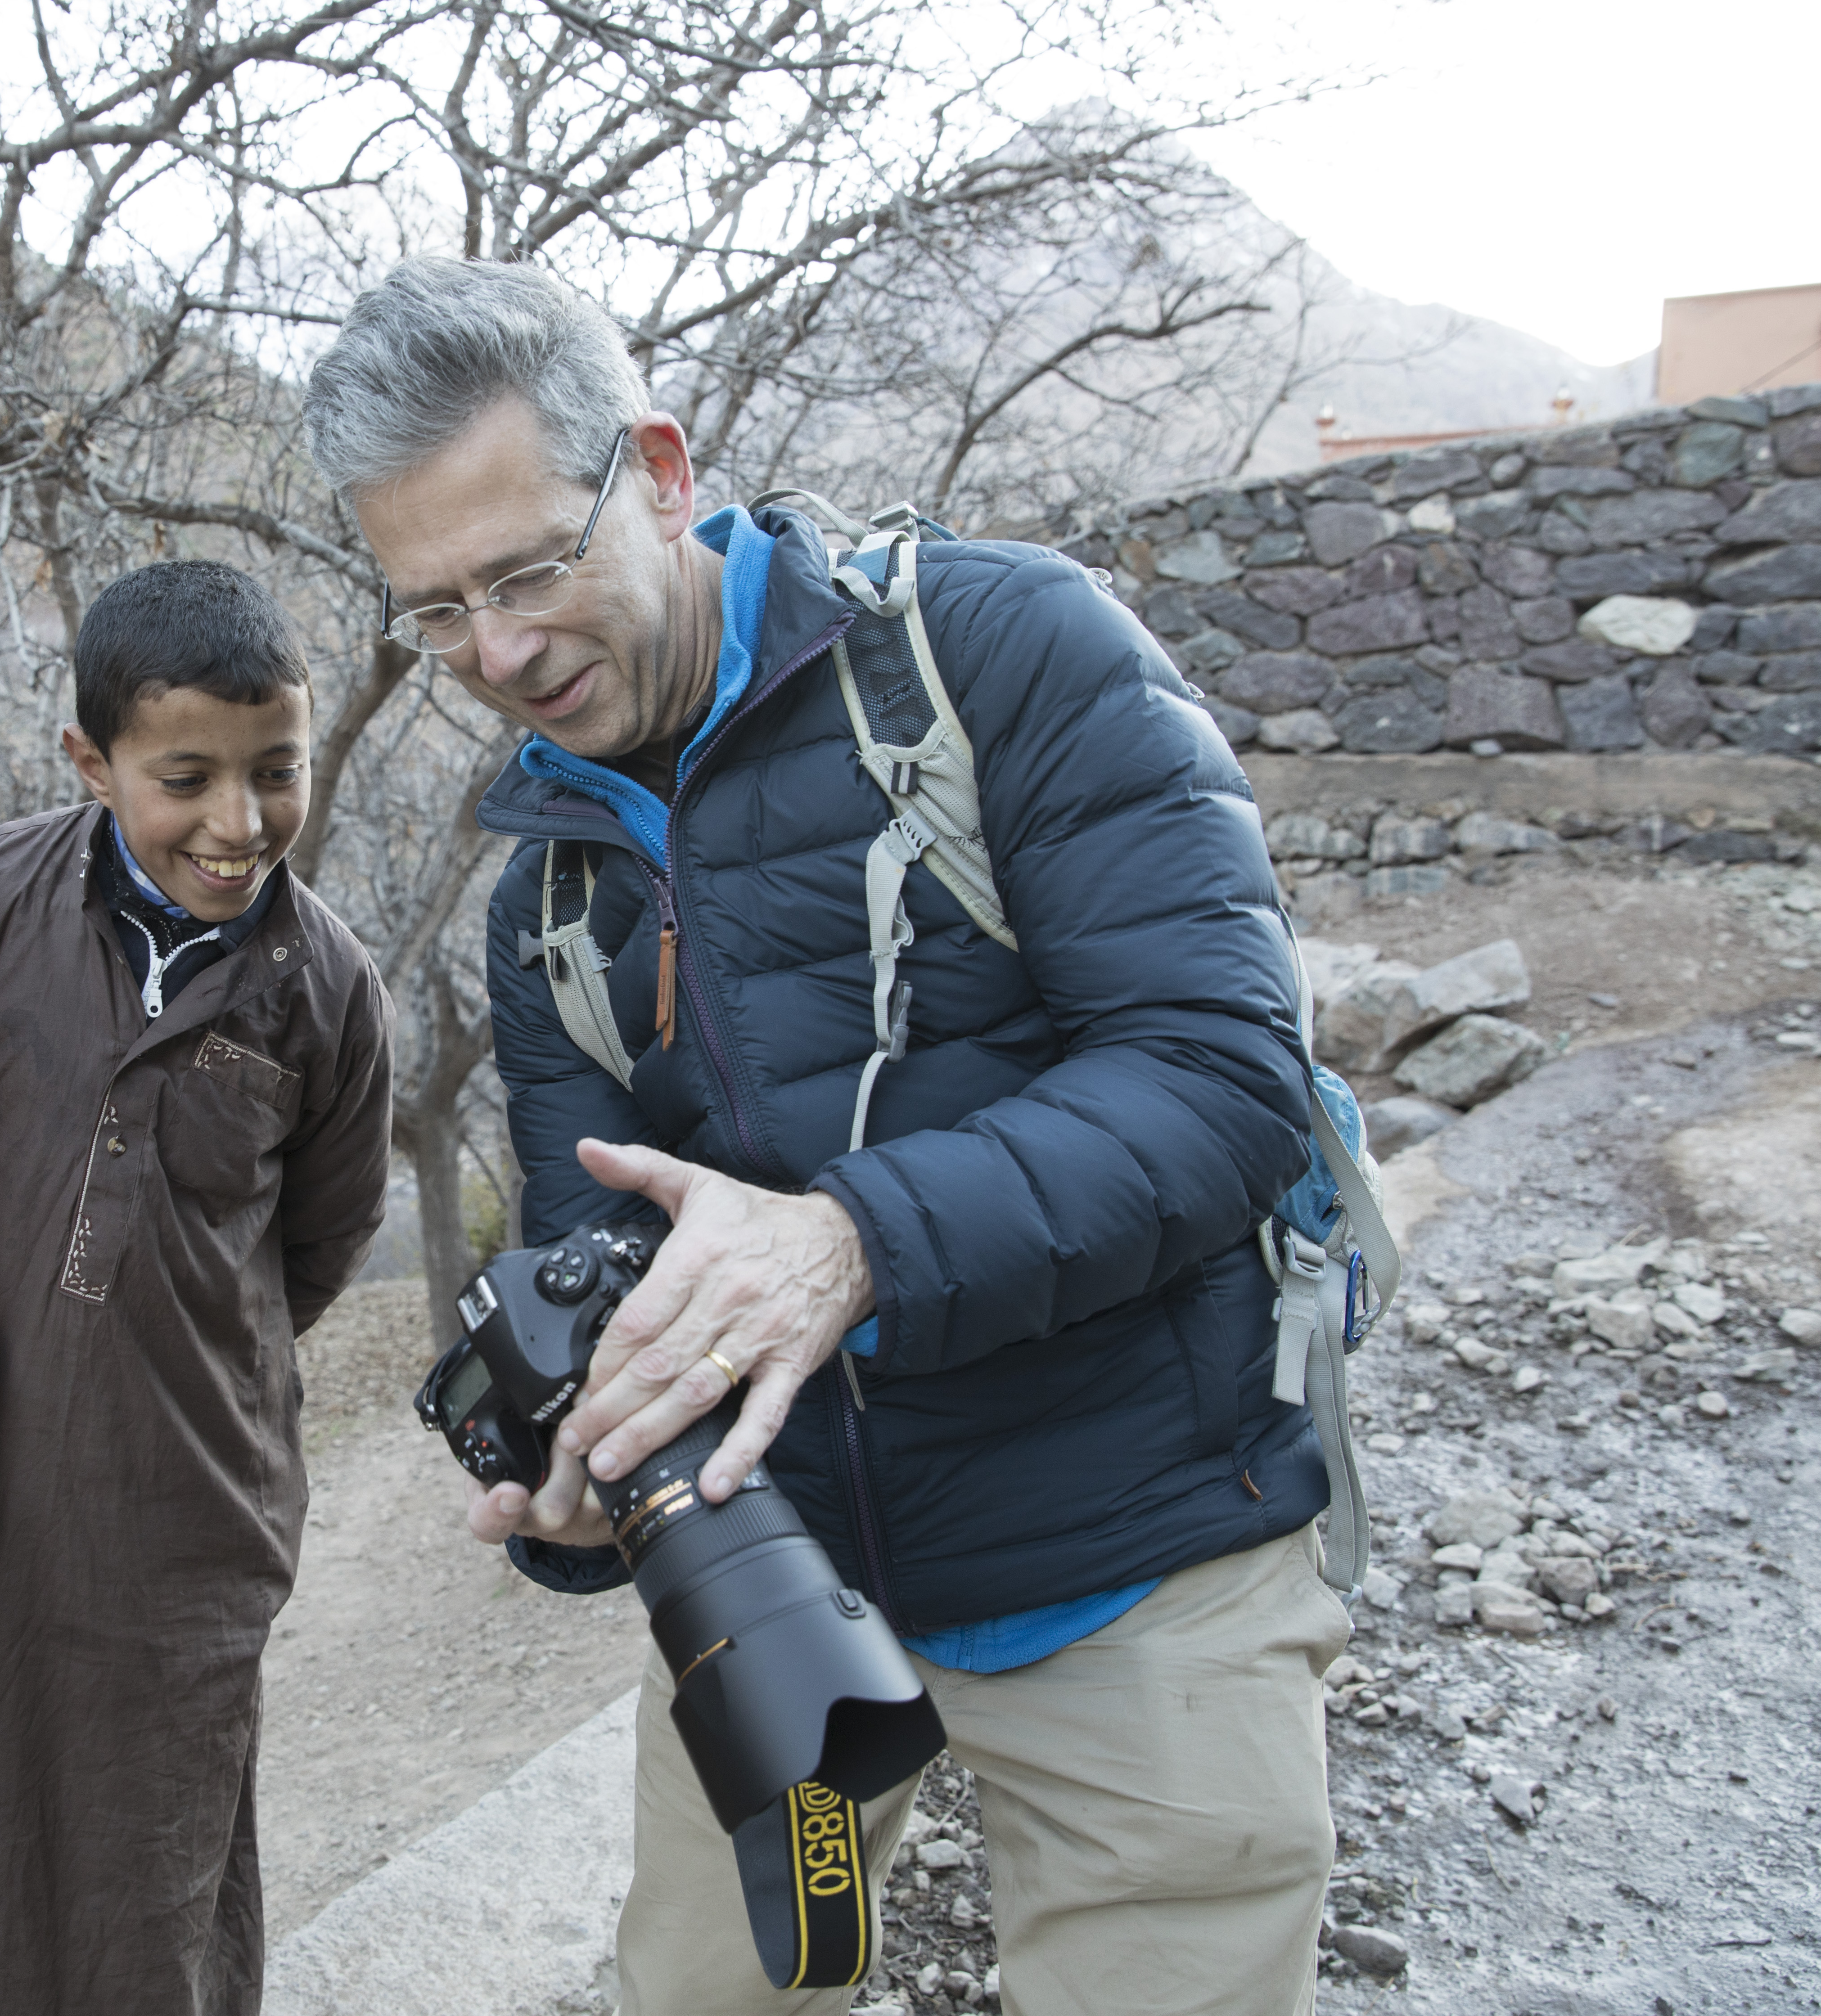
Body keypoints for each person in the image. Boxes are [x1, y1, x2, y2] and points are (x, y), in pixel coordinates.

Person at [304, 257, 1349, 2016]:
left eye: (529, 571)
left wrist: (845, 1242)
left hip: (1135, 1558)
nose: (495, 653)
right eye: (435, 614)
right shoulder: (551, 898)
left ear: (660, 467)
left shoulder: (1002, 655)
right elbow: (620, 1266)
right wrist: (585, 1473)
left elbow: (1223, 1077)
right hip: (771, 1594)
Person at [0, 558, 395, 2016]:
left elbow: (316, 1246)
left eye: (276, 771)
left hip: (179, 1533)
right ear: (93, 765)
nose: (241, 823)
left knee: (150, 1892)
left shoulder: (327, 988)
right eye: (187, 779)